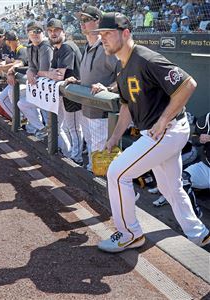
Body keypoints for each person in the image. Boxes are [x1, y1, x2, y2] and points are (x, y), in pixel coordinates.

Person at [93, 12, 210, 252]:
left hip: (166, 130)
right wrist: (115, 137)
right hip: (160, 132)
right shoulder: (121, 65)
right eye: (101, 34)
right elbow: (126, 105)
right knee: (170, 187)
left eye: (108, 33)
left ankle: (129, 233)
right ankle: (200, 234)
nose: (103, 38)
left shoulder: (145, 58)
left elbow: (188, 84)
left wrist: (164, 119)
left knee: (117, 173)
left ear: (126, 33)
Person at [65, 6, 119, 171]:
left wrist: (108, 89)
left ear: (98, 22)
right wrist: (78, 81)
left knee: (102, 160)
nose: (82, 23)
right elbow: (93, 77)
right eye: (81, 20)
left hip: (102, 115)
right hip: (86, 110)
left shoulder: (106, 47)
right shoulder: (87, 48)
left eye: (87, 19)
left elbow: (124, 76)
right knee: (92, 155)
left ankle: (113, 193)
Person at [40, 18, 83, 163]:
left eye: (56, 30)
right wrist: (47, 74)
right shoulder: (58, 49)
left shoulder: (67, 46)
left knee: (74, 128)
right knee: (68, 127)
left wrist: (45, 74)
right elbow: (51, 72)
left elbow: (58, 75)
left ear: (63, 31)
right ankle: (73, 154)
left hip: (77, 94)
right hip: (67, 93)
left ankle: (77, 158)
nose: (53, 33)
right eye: (50, 31)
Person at [17, 21, 53, 137]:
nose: (35, 34)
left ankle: (60, 150)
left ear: (43, 33)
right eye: (31, 31)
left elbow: (44, 70)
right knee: (22, 103)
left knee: (56, 124)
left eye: (38, 31)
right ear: (28, 34)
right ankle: (41, 129)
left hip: (51, 90)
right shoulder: (31, 47)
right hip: (41, 89)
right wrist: (29, 70)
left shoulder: (46, 46)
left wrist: (32, 72)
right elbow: (32, 67)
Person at [0, 30, 28, 119]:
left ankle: (22, 119)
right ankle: (20, 119)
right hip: (17, 82)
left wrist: (0, 68)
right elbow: (7, 61)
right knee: (1, 98)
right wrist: (2, 64)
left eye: (6, 41)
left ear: (9, 41)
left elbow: (17, 64)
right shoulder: (14, 50)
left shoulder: (22, 50)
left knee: (16, 98)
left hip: (25, 84)